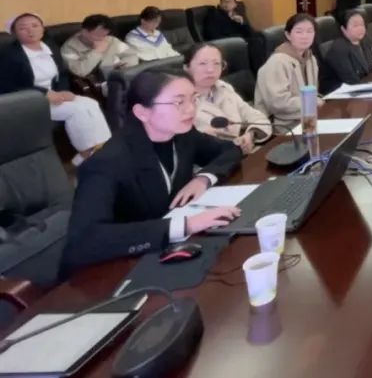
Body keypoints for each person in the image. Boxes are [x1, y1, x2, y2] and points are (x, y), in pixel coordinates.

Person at [60, 70, 241, 276]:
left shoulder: (182, 134)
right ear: (142, 113)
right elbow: (84, 241)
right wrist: (186, 225)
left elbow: (230, 150)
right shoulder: (106, 162)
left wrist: (203, 178)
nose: (191, 109)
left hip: (174, 253)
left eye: (194, 99)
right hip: (119, 269)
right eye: (178, 102)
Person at [0, 12, 112, 163]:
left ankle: (98, 151)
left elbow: (62, 74)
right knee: (78, 110)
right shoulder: (9, 55)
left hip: (54, 96)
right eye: (22, 28)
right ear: (14, 33)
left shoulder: (49, 47)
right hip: (28, 101)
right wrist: (44, 93)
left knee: (91, 103)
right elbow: (7, 86)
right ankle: (88, 156)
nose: (30, 30)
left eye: (35, 25)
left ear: (42, 28)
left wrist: (63, 92)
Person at [187, 42, 270, 155]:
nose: (210, 69)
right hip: (212, 161)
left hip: (243, 154)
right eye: (203, 63)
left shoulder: (224, 88)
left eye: (216, 63)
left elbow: (257, 117)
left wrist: (251, 135)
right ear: (186, 67)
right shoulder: (180, 102)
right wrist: (205, 140)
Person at [255, 13, 320, 132]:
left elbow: (313, 91)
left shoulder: (310, 58)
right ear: (288, 35)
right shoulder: (277, 62)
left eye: (310, 31)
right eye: (299, 32)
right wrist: (313, 102)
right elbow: (278, 103)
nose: (305, 36)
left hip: (306, 118)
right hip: (283, 125)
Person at [61, 14, 138, 79]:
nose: (102, 39)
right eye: (98, 35)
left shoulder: (110, 40)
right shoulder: (69, 48)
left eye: (104, 35)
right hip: (96, 83)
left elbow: (131, 54)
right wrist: (96, 52)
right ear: (84, 31)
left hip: (120, 77)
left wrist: (125, 67)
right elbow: (80, 72)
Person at [320, 9, 372, 93]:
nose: (360, 28)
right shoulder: (338, 48)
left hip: (360, 88)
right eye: (355, 25)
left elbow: (371, 69)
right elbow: (350, 80)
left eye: (362, 24)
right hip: (339, 93)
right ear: (343, 29)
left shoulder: (364, 41)